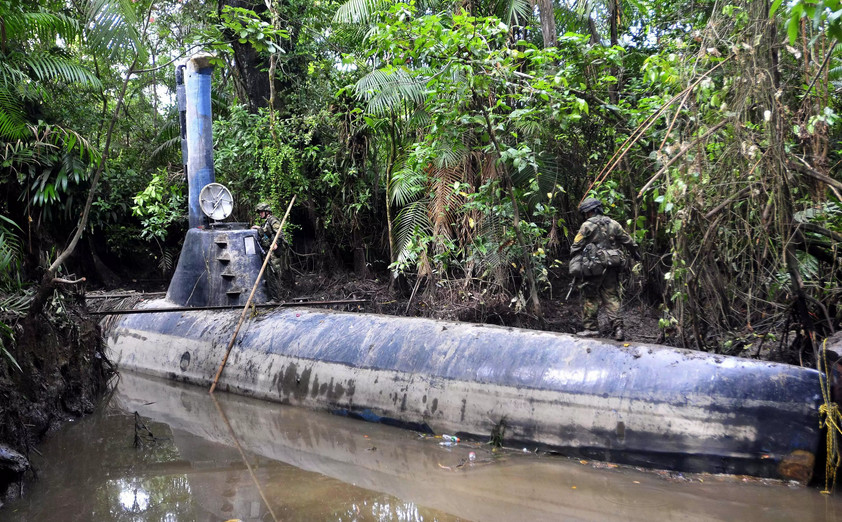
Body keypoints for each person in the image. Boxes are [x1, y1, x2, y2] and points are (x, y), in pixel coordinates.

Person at [569, 197, 640, 341]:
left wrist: (577, 262)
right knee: (611, 296)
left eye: (586, 212)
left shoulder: (586, 226)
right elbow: (628, 241)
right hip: (612, 266)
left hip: (592, 268)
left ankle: (591, 329)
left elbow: (575, 246)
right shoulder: (613, 224)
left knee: (590, 297)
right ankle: (618, 329)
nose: (586, 215)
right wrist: (635, 254)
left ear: (590, 212)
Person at [252, 202, 288, 300]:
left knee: (273, 274)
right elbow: (266, 232)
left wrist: (276, 243)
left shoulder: (273, 220)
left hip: (274, 252)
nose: (260, 214)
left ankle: (277, 299)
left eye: (261, 212)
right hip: (269, 251)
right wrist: (259, 228)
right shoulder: (266, 222)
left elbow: (279, 232)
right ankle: (273, 297)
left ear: (267, 211)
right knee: (269, 275)